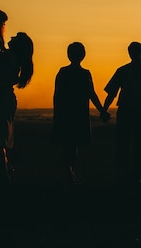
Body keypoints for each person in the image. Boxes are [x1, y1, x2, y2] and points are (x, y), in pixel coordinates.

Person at [103, 42, 141, 190]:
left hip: (129, 111)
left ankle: (128, 177)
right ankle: (135, 178)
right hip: (139, 111)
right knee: (137, 146)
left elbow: (112, 93)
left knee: (125, 145)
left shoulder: (124, 71)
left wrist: (104, 110)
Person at [53, 42, 109, 185]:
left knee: (69, 145)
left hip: (66, 114)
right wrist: (102, 111)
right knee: (73, 146)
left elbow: (57, 95)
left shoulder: (63, 72)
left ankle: (69, 172)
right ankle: (70, 172)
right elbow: (92, 94)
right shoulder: (84, 73)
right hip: (78, 114)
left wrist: (57, 114)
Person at [0, 32, 34, 187]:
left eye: (15, 38)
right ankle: (5, 171)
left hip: (2, 99)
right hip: (3, 99)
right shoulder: (9, 57)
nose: (10, 38)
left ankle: (4, 174)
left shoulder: (8, 58)